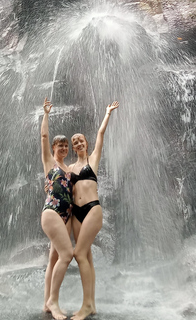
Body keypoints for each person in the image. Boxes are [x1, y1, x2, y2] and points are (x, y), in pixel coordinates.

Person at [69, 101, 119, 320]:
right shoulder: (69, 168)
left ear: (86, 143)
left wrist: (107, 114)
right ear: (72, 147)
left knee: (78, 254)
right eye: (74, 142)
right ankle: (92, 304)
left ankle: (86, 305)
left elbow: (101, 133)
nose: (78, 143)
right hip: (76, 213)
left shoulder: (93, 159)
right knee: (86, 256)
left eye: (80, 140)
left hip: (92, 209)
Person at [40, 97, 74, 320]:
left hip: (66, 216)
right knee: (67, 254)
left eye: (65, 145)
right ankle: (54, 302)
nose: (62, 147)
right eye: (59, 145)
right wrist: (46, 114)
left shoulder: (69, 168)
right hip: (52, 213)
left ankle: (45, 302)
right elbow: (43, 137)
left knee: (53, 259)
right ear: (53, 148)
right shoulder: (49, 163)